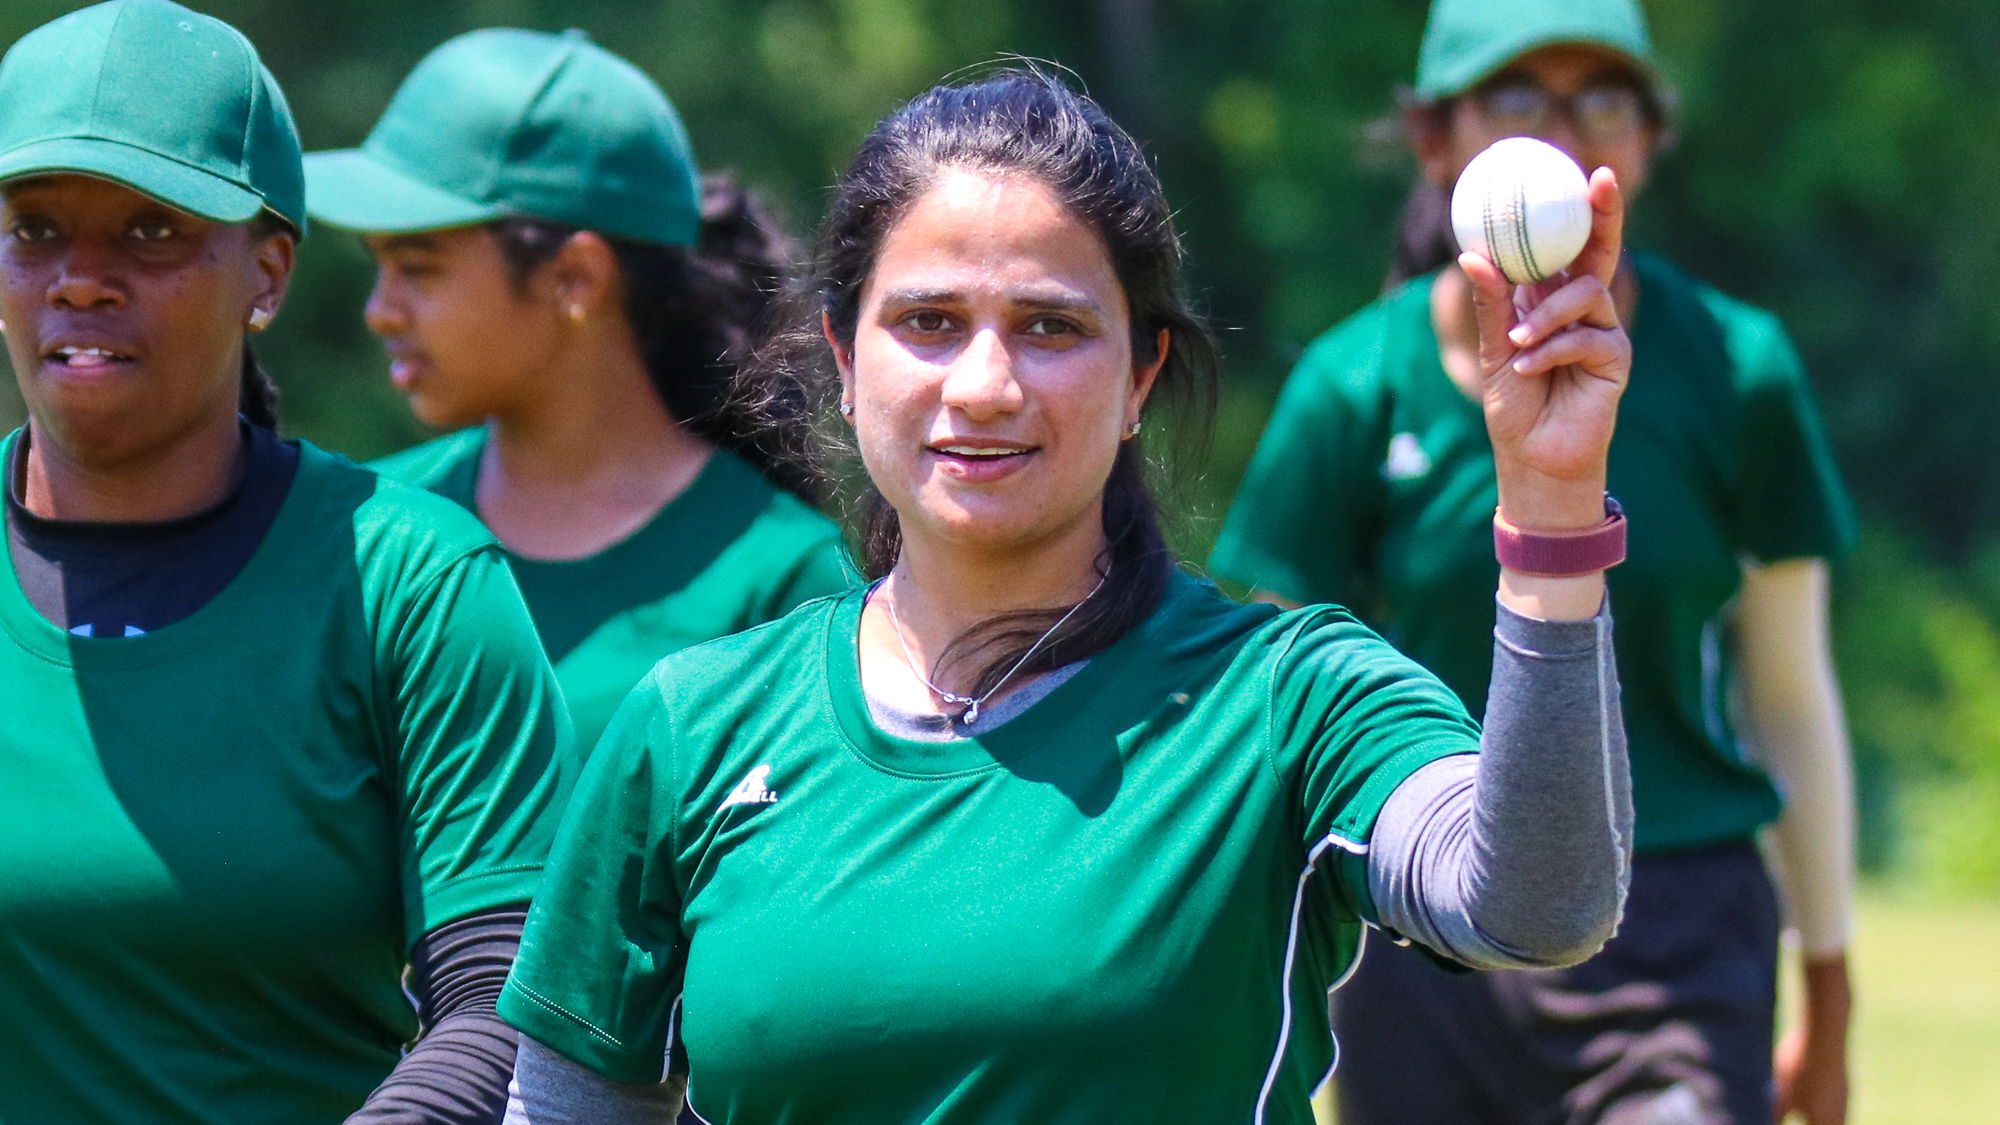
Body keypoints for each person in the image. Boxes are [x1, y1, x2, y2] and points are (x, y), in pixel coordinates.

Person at [495, 68, 1638, 1124]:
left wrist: (1548, 513)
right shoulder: (692, 724)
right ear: (843, 360)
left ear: (1139, 373)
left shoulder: (1290, 701)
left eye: (1050, 327)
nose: (985, 386)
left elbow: (1538, 907)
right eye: (928, 323)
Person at [1211, 1, 1859, 1122]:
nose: (1562, 131)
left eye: (1602, 97)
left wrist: (1831, 988)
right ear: (1432, 139)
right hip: (1414, 928)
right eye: (1515, 96)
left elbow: (1789, 696)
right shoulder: (1348, 387)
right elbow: (1266, 720)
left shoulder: (1737, 369)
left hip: (1679, 924)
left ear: (1652, 136)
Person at [0, 2, 574, 1121]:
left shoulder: (411, 582)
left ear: (266, 273)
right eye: (34, 228)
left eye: (151, 231)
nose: (80, 278)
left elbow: (510, 1007)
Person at [303, 28, 851, 752]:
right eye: (378, 264)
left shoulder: (787, 579)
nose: (381, 309)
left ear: (576, 278)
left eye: (420, 267)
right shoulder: (363, 526)